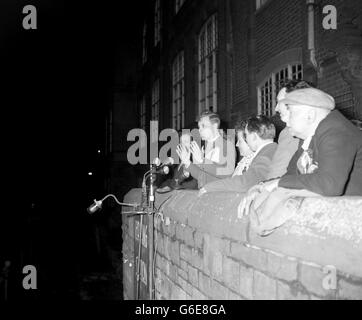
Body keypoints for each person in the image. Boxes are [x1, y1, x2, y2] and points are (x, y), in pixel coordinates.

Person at [240, 87, 362, 216]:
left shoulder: (337, 132)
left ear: (310, 115)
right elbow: (290, 177)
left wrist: (276, 184)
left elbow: (329, 184)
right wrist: (261, 187)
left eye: (291, 112)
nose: (285, 119)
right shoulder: (309, 140)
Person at [199, 115, 277, 193]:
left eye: (246, 135)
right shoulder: (269, 150)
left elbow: (246, 182)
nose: (246, 139)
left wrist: (209, 187)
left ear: (254, 136)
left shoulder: (266, 155)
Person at [176, 111, 236, 188]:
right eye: (199, 127)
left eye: (203, 126)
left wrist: (202, 161)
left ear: (214, 126)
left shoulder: (227, 145)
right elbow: (202, 177)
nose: (200, 130)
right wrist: (187, 163)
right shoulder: (206, 148)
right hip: (205, 193)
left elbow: (228, 173)